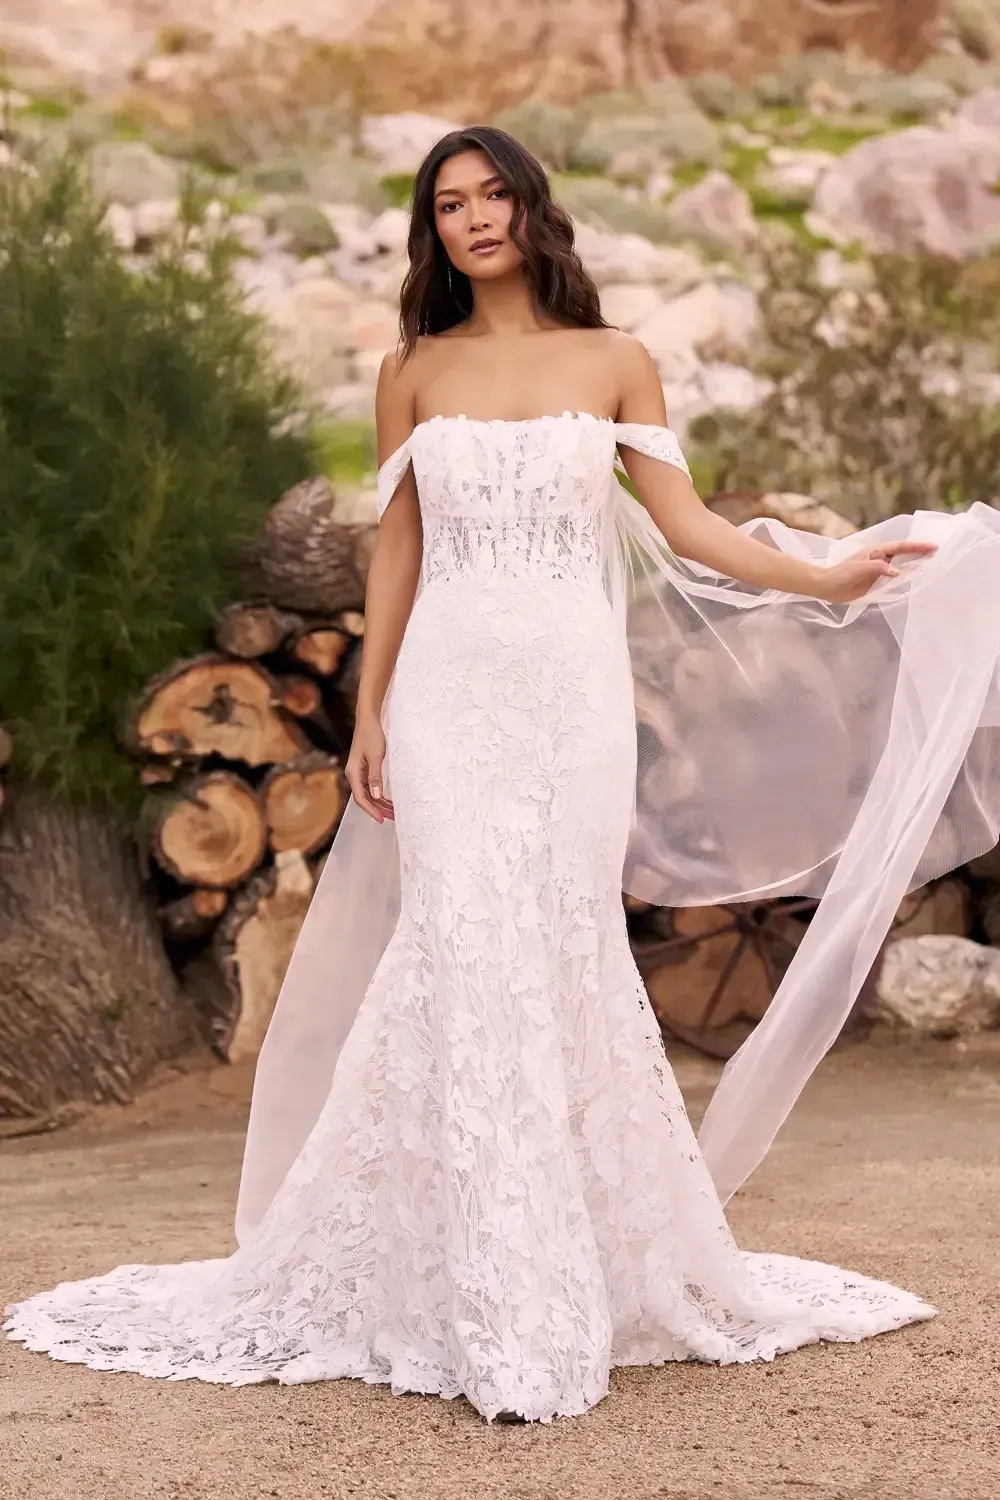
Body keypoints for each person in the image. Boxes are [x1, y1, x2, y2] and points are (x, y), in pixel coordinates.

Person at [6, 127, 1000, 1426]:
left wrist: (823, 576)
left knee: (560, 944)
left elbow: (683, 524)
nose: (474, 219)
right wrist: (368, 710)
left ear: (533, 211)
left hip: (571, 696)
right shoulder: (411, 371)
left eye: (493, 196)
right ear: (435, 231)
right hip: (450, 693)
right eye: (450, 204)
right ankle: (487, 1287)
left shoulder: (616, 357)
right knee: (465, 941)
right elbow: (398, 551)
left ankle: (567, 1258)